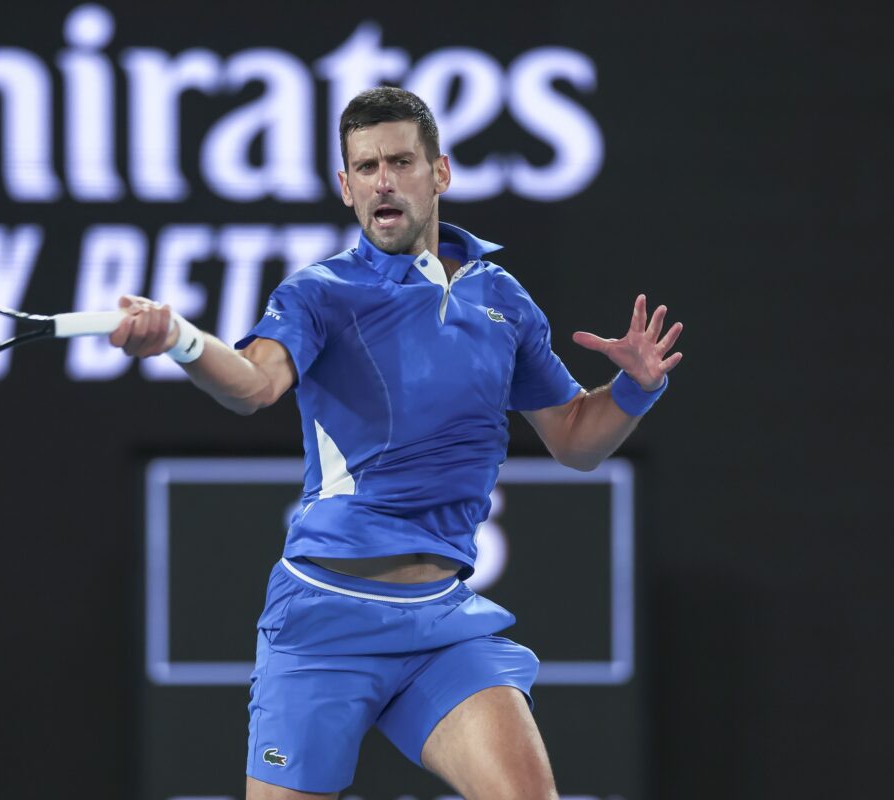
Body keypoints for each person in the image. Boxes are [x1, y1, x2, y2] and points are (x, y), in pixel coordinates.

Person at [110, 86, 683, 800]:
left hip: (442, 625)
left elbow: (575, 440)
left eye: (401, 161)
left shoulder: (500, 298)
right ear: (345, 187)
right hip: (325, 622)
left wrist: (631, 390)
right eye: (366, 166)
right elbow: (254, 384)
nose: (383, 178)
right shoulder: (320, 293)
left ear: (438, 173)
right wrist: (180, 339)